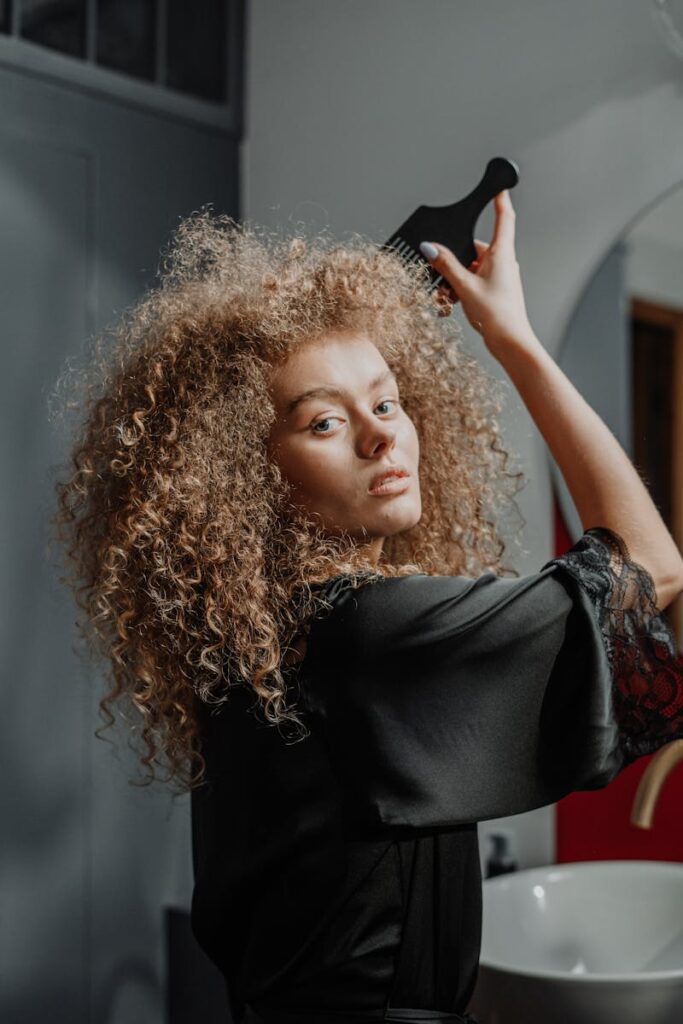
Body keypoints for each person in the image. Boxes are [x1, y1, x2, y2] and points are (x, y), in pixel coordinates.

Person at [53, 192, 683, 1024]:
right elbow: (651, 566)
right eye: (323, 421)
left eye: (386, 404)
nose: (382, 436)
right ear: (246, 476)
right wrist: (515, 341)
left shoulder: (268, 639)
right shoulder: (364, 632)